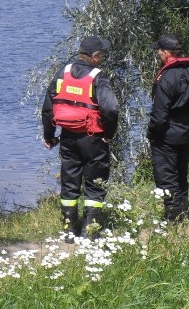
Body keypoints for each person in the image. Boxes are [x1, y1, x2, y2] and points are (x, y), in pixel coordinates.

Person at [42, 36, 119, 243]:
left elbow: (49, 108)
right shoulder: (97, 76)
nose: (102, 58)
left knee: (70, 181)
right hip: (93, 138)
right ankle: (89, 232)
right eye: (101, 55)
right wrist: (109, 134)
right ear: (94, 56)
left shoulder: (63, 73)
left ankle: (69, 231)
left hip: (68, 137)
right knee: (95, 182)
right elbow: (110, 108)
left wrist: (49, 136)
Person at [148, 34, 189, 222]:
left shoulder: (166, 78)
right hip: (186, 131)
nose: (157, 53)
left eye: (159, 50)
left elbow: (159, 114)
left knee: (166, 176)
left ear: (166, 53)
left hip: (167, 134)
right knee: (181, 173)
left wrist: (152, 134)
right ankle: (182, 212)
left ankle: (173, 219)